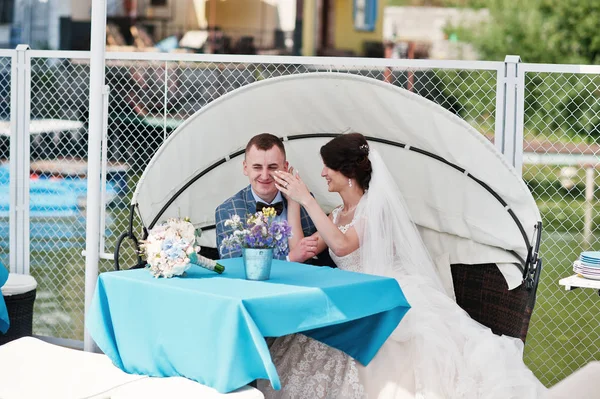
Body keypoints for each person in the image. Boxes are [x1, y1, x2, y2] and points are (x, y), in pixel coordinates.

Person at [258, 133, 549, 398]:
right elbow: (301, 248)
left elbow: (343, 245)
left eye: (327, 167)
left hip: (387, 294)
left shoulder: (375, 208)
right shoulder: (336, 215)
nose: (321, 173)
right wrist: (294, 203)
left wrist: (308, 200)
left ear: (346, 173)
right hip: (353, 297)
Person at [215, 133, 321, 263]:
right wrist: (289, 258)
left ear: (285, 167)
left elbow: (319, 254)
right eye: (257, 167)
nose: (264, 176)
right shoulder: (228, 210)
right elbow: (235, 265)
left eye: (272, 167)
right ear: (245, 168)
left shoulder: (305, 200)